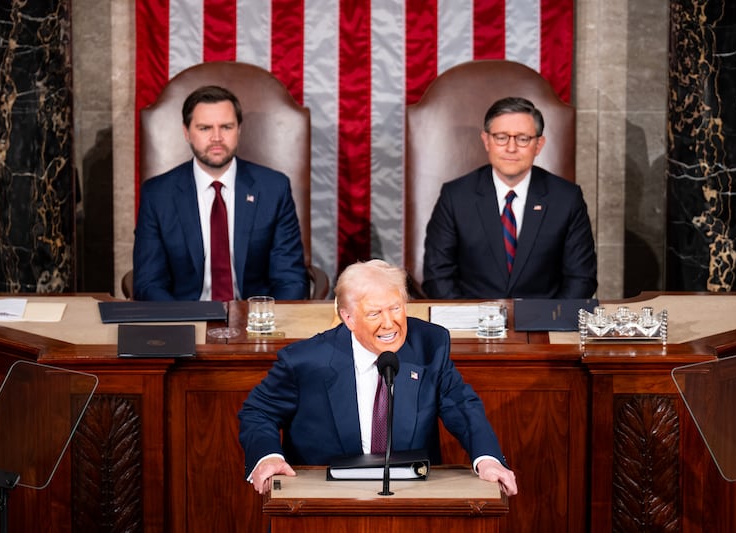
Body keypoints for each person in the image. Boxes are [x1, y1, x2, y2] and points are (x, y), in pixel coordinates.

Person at [238, 259, 518, 496]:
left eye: (396, 308)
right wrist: (268, 456)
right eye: (374, 313)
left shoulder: (429, 345)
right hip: (326, 500)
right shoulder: (306, 360)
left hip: (410, 498)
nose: (389, 323)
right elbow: (257, 412)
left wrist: (487, 458)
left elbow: (462, 405)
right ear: (348, 318)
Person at [133, 85, 308, 301]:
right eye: (205, 128)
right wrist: (180, 323)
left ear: (239, 130)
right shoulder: (158, 195)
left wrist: (266, 324)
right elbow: (149, 283)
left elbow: (290, 279)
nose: (217, 137)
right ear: (187, 132)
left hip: (256, 324)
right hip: (185, 321)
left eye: (226, 127)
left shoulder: (273, 189)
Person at [423, 96, 597, 299]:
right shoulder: (455, 196)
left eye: (523, 138)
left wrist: (551, 321)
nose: (511, 148)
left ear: (539, 144)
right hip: (472, 323)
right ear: (486, 140)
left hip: (544, 324)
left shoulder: (566, 198)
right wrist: (468, 321)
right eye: (501, 137)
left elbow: (581, 278)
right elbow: (437, 275)